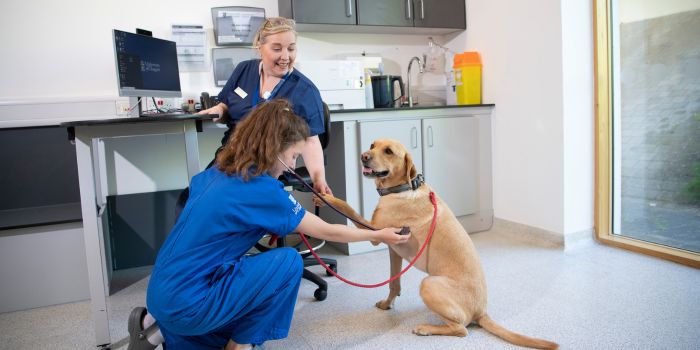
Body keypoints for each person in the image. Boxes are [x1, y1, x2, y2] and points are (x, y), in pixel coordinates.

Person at [127, 100, 410, 350]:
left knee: (224, 291)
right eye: (294, 155)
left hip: (161, 293)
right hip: (189, 303)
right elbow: (329, 230)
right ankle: (239, 346)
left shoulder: (214, 173)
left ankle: (154, 329)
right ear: (275, 150)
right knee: (287, 263)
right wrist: (380, 235)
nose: (292, 162)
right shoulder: (264, 191)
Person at [197, 16, 331, 195]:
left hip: (267, 164)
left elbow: (311, 141)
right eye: (277, 48)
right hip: (230, 155)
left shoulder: (305, 90)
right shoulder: (244, 69)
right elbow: (226, 104)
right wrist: (218, 110)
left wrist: (318, 179)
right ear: (259, 47)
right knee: (194, 195)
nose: (285, 56)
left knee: (224, 200)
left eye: (291, 48)